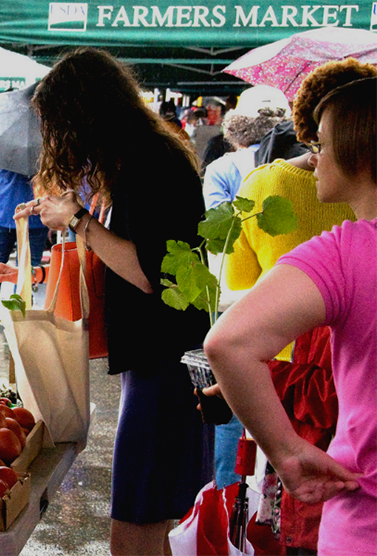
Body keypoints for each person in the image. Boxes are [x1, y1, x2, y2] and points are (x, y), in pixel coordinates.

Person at [0, 48, 213, 556]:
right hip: (155, 359)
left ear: (83, 113)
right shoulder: (137, 159)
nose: (55, 138)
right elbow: (120, 260)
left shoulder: (152, 162)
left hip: (165, 361)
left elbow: (151, 273)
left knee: (134, 525)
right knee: (149, 518)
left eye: (57, 122)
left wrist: (80, 220)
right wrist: (36, 269)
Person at [204, 76, 377, 556]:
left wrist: (285, 452)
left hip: (362, 517)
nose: (313, 157)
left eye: (321, 143)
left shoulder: (346, 251)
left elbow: (228, 343)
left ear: (359, 150)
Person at [0, 168, 51, 330]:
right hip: (36, 217)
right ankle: (18, 324)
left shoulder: (3, 146)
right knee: (26, 274)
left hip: (3, 210)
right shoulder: (44, 151)